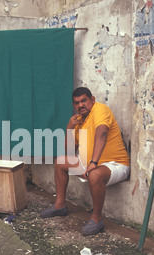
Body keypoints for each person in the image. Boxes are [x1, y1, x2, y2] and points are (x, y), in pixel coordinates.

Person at [40, 87, 130, 236]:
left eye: (84, 101)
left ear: (92, 100)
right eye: (77, 103)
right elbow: (68, 151)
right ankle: (60, 205)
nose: (80, 105)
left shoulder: (100, 109)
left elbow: (102, 132)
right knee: (60, 161)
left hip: (116, 164)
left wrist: (93, 163)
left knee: (94, 175)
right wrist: (70, 127)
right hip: (90, 165)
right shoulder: (80, 120)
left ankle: (96, 219)